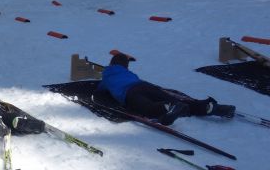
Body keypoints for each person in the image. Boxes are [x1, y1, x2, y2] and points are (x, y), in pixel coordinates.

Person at [98, 53, 236, 125]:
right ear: (126, 66)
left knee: (147, 108)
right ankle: (210, 107)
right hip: (146, 86)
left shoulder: (106, 73)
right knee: (177, 100)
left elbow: (101, 89)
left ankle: (169, 107)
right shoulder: (129, 73)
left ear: (111, 63)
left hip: (130, 93)